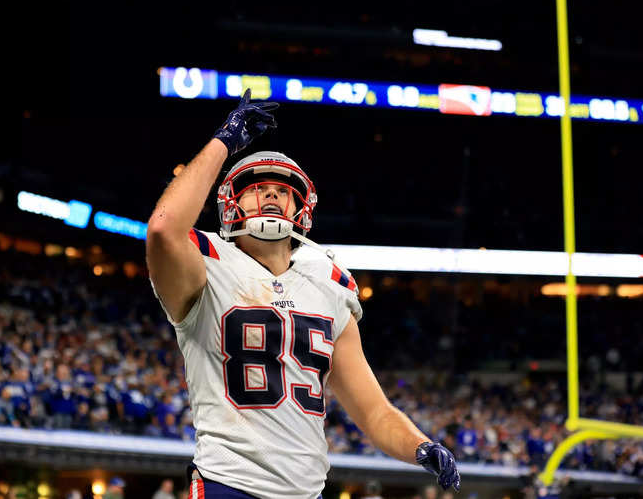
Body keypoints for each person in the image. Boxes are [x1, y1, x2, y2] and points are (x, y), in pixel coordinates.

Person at [146, 89, 460, 499]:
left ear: (301, 208)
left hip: (306, 491)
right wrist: (224, 141)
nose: (272, 194)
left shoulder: (328, 281)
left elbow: (373, 410)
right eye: (256, 187)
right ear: (229, 203)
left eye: (283, 189)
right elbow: (162, 229)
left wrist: (420, 445)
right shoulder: (207, 262)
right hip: (229, 483)